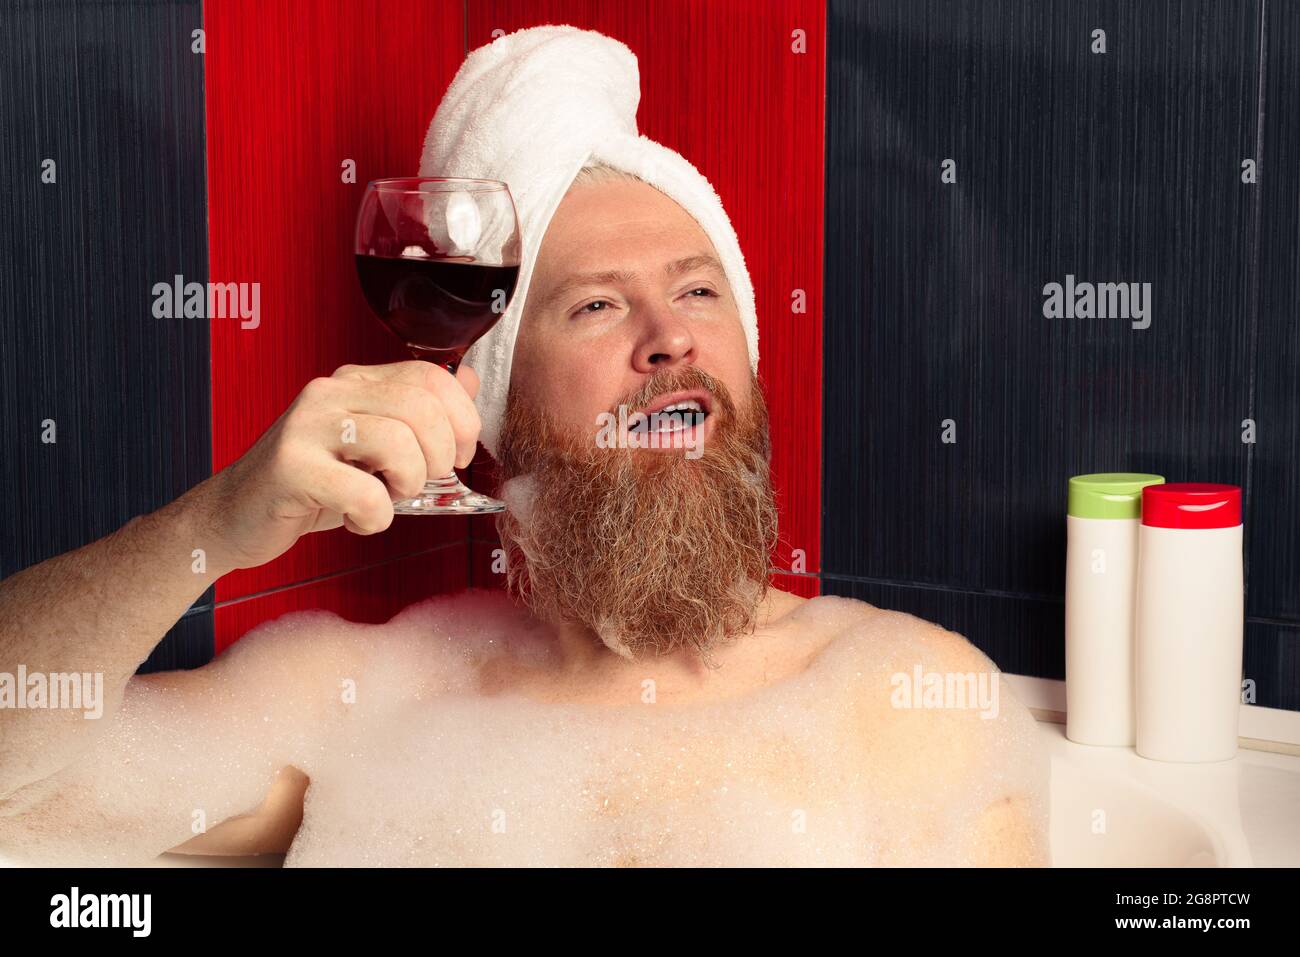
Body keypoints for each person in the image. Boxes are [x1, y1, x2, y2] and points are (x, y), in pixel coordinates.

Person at [0, 26, 1050, 867]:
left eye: (697, 290)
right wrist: (209, 526)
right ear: (495, 412)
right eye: (596, 305)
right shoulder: (371, 703)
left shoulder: (899, 698)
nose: (669, 335)